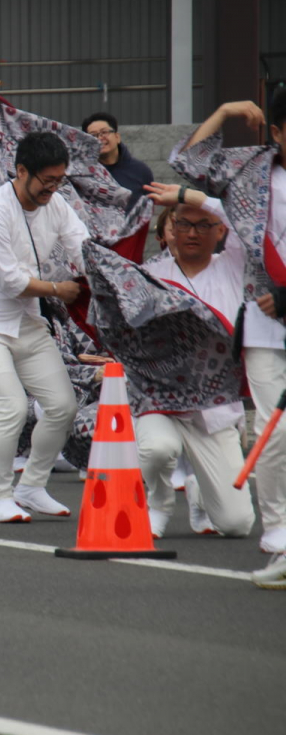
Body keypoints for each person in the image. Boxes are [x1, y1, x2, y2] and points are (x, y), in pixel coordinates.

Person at [170, 93, 286, 554]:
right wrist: (221, 114)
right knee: (272, 430)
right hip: (263, 320)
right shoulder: (249, 166)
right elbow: (186, 161)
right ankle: (277, 524)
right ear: (276, 132)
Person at [0, 132, 85, 523]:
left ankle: (31, 487)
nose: (52, 188)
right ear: (21, 170)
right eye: (47, 179)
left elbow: (82, 246)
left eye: (59, 179)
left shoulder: (57, 204)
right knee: (11, 408)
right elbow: (10, 282)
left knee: (63, 406)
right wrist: (60, 290)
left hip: (26, 321)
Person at [136, 182, 256, 538]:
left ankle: (200, 492)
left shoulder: (234, 264)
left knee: (236, 525)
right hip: (161, 400)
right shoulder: (150, 275)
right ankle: (158, 503)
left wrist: (190, 196)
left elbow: (244, 221)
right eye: (183, 224)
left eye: (203, 225)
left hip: (215, 408)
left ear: (219, 230)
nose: (192, 233)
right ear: (170, 228)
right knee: (158, 450)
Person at [81, 112, 154, 201]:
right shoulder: (83, 174)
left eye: (104, 132)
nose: (100, 138)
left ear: (117, 137)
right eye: (93, 135)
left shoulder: (141, 171)